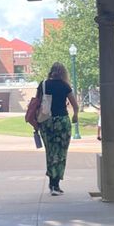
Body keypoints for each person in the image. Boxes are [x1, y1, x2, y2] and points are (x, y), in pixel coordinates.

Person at [37, 62, 79, 196]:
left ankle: (52, 183)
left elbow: (37, 102)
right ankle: (56, 184)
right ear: (63, 73)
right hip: (62, 122)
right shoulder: (65, 86)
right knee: (61, 153)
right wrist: (75, 116)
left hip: (46, 121)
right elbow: (75, 105)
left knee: (50, 152)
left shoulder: (43, 84)